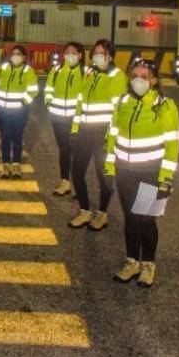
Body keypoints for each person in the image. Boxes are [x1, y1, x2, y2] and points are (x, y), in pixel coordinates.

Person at [105, 59, 179, 287]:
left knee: (146, 220)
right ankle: (131, 261)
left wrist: (166, 179)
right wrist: (109, 168)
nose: (138, 80)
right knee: (130, 218)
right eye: (134, 75)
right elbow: (112, 137)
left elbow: (173, 144)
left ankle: (148, 263)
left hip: (150, 173)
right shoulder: (122, 102)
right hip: (125, 172)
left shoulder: (165, 105)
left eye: (144, 77)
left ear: (154, 80)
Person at [68, 39, 127, 231]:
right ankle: (85, 210)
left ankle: (102, 213)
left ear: (110, 56)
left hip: (103, 133)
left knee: (104, 176)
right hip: (84, 131)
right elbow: (80, 102)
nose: (97, 56)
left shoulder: (117, 76)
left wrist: (111, 137)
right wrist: (75, 129)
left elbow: (118, 110)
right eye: (95, 53)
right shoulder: (89, 73)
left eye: (101, 53)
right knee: (76, 171)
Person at [0, 44, 38, 179]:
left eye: (18, 54)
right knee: (5, 137)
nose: (15, 56)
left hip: (19, 112)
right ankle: (5, 165)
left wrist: (23, 102)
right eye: (13, 54)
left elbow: (33, 90)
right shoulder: (2, 68)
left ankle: (16, 165)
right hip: (2, 111)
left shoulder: (28, 71)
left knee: (17, 137)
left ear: (23, 57)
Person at [44, 42, 86, 197]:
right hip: (58, 118)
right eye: (67, 51)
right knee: (64, 150)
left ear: (80, 55)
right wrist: (49, 104)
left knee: (77, 151)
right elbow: (48, 89)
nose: (70, 55)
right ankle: (64, 182)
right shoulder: (56, 70)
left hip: (78, 120)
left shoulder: (86, 72)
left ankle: (77, 183)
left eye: (73, 52)